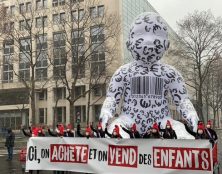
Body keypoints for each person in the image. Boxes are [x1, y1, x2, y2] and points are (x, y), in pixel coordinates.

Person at [99, 12, 199, 139]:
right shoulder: (123, 72)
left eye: (156, 33)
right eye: (140, 34)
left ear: (167, 45)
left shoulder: (170, 73)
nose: (149, 40)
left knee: (184, 138)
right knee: (115, 135)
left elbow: (182, 100)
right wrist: (106, 112)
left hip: (163, 122)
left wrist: (190, 113)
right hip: (128, 122)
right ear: (129, 44)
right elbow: (112, 98)